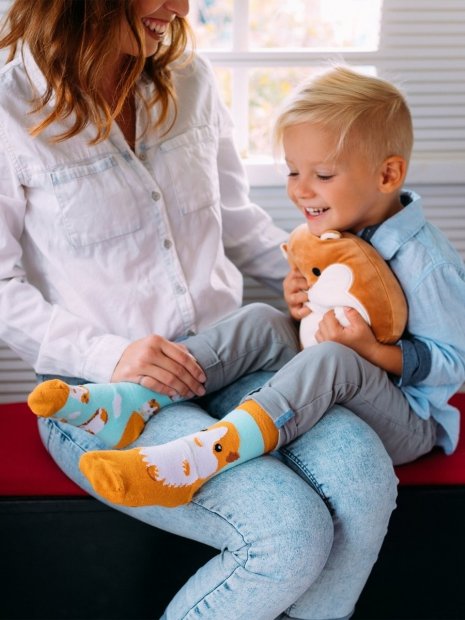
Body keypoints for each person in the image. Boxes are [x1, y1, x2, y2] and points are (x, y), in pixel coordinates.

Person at [0, 2, 398, 618]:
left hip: (231, 357)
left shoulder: (188, 77)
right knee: (287, 532)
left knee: (365, 479)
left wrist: (305, 279)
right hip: (102, 395)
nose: (182, 7)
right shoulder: (8, 104)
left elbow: (234, 218)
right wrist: (113, 354)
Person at [30, 66, 465, 510]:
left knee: (334, 358)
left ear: (388, 176)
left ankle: (203, 456)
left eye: (324, 175)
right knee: (263, 319)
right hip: (342, 374)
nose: (301, 191)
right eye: (294, 172)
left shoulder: (427, 263)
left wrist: (369, 350)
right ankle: (137, 399)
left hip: (410, 419)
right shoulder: (336, 231)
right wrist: (301, 299)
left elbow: (453, 363)